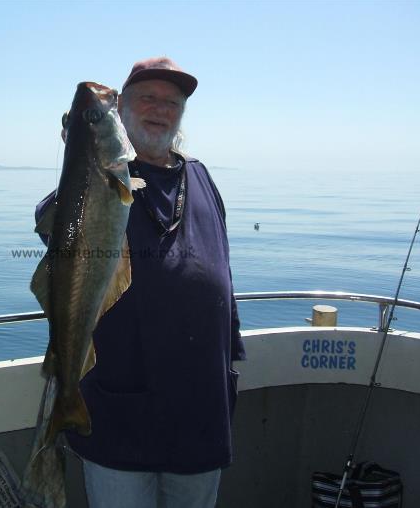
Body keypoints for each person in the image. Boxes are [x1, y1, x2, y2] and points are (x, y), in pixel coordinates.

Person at [35, 57, 246, 508]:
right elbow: (54, 222)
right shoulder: (103, 175)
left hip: (200, 411)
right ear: (121, 112)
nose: (160, 109)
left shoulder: (202, 178)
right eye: (147, 97)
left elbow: (223, 275)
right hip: (119, 413)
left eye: (173, 102)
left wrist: (233, 352)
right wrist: (79, 150)